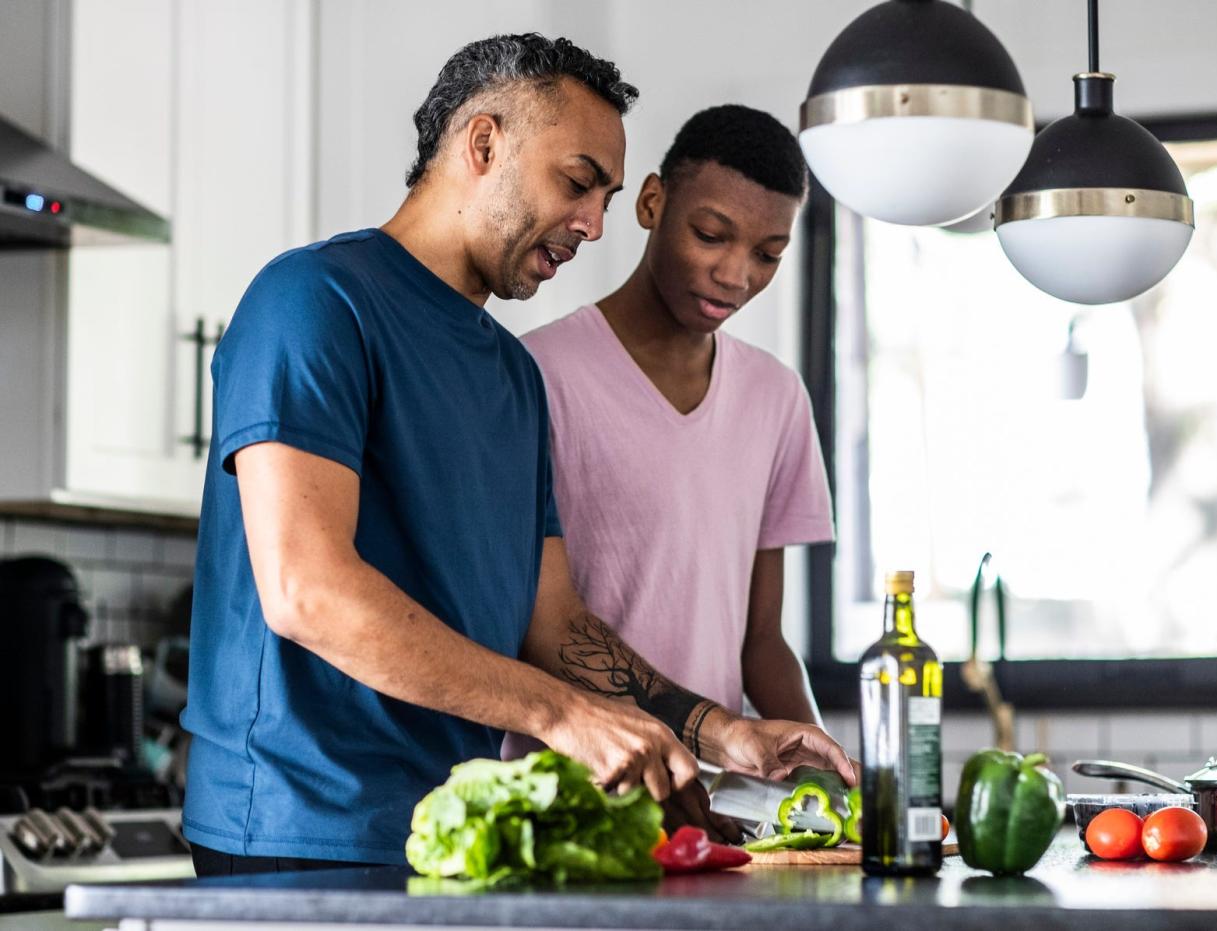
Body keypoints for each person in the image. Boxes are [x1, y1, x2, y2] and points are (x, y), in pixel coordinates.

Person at [180, 36, 853, 876]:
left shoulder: (511, 373)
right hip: (295, 836)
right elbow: (307, 590)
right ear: (484, 144)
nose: (593, 224)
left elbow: (556, 623)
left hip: (460, 833)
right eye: (576, 183)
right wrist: (565, 717)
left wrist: (718, 730)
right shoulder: (314, 301)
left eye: (605, 196)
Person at [513, 106, 838, 779]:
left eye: (768, 254)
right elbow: (532, 620)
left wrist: (833, 780)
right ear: (653, 202)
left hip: (716, 803)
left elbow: (762, 641)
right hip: (570, 793)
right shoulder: (533, 375)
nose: (736, 274)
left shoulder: (776, 398)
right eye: (712, 235)